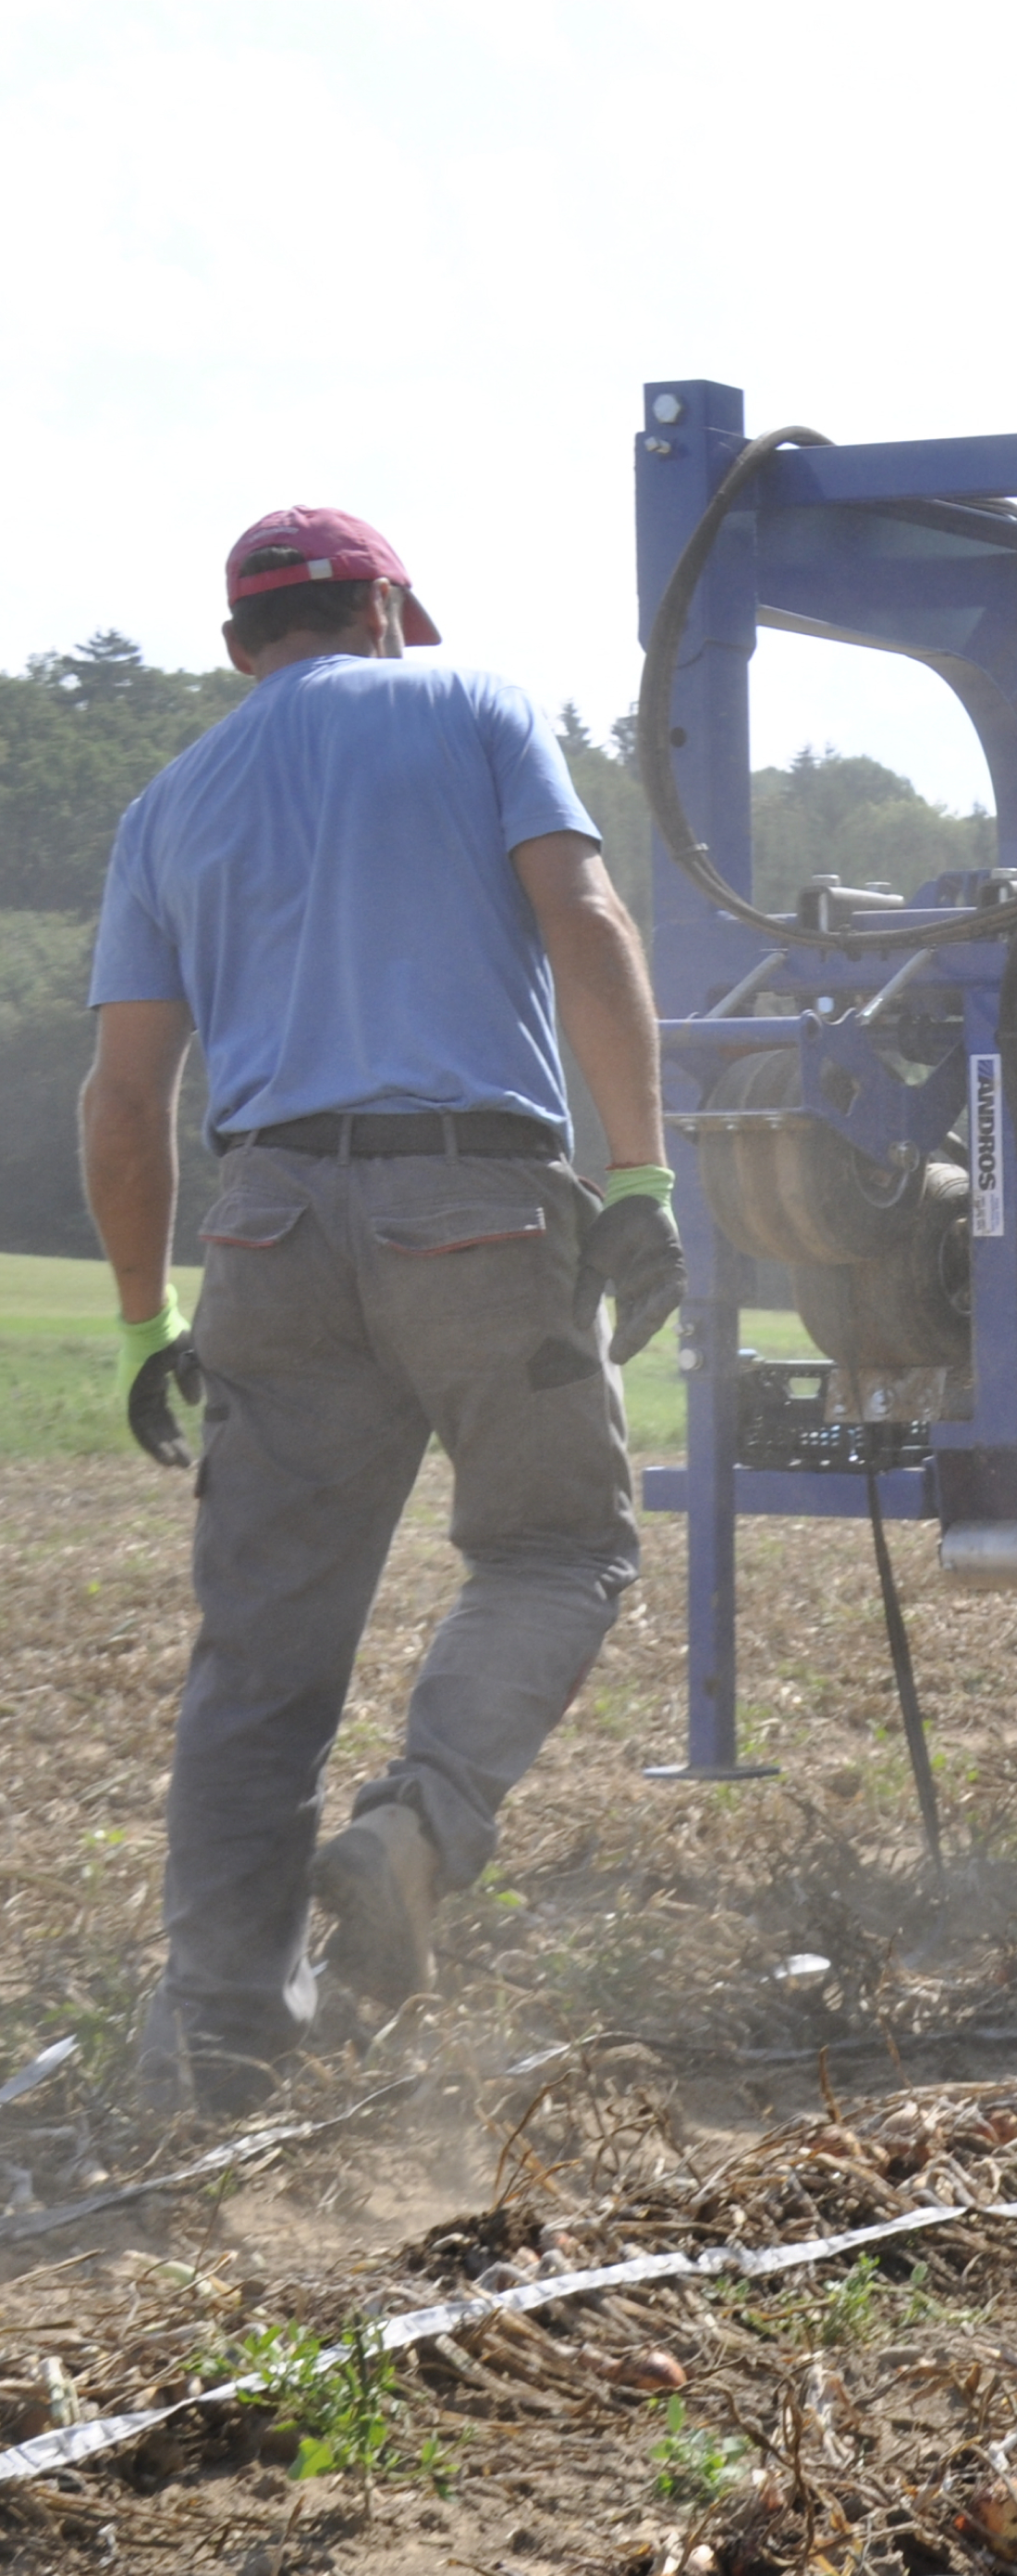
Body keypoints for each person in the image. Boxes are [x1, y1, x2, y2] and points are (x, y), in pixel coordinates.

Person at [80, 508, 684, 2113]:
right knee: (561, 1546)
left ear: (236, 649)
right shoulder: (474, 704)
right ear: (394, 609)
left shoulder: (166, 802)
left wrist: (146, 1325)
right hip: (472, 1198)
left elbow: (126, 1097)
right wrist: (642, 1177)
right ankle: (412, 1836)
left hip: (265, 1221)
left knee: (261, 1661)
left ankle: (211, 2037)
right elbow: (588, 925)